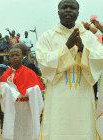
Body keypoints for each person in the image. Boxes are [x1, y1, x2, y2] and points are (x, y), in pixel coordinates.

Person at [36, 0, 103, 139]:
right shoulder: (47, 36)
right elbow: (43, 63)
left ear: (78, 13)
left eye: (72, 8)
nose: (68, 10)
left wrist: (82, 50)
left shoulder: (88, 36)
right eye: (64, 7)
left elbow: (99, 59)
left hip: (82, 95)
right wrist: (66, 48)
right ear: (58, 11)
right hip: (57, 99)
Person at [0, 48, 45, 140]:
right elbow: (0, 95)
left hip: (27, 106)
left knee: (28, 130)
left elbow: (39, 91)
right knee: (15, 131)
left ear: (21, 57)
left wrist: (30, 92)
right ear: (9, 59)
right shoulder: (5, 76)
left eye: (17, 55)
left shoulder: (30, 73)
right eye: (12, 56)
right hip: (13, 107)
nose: (14, 57)